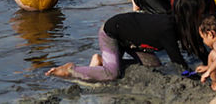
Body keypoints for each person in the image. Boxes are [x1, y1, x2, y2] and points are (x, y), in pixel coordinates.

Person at [45, 10, 188, 82]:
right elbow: (177, 61)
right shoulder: (167, 30)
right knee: (112, 74)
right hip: (111, 33)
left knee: (154, 65)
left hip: (130, 40)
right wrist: (192, 75)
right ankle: (70, 69)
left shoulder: (171, 26)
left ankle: (102, 62)